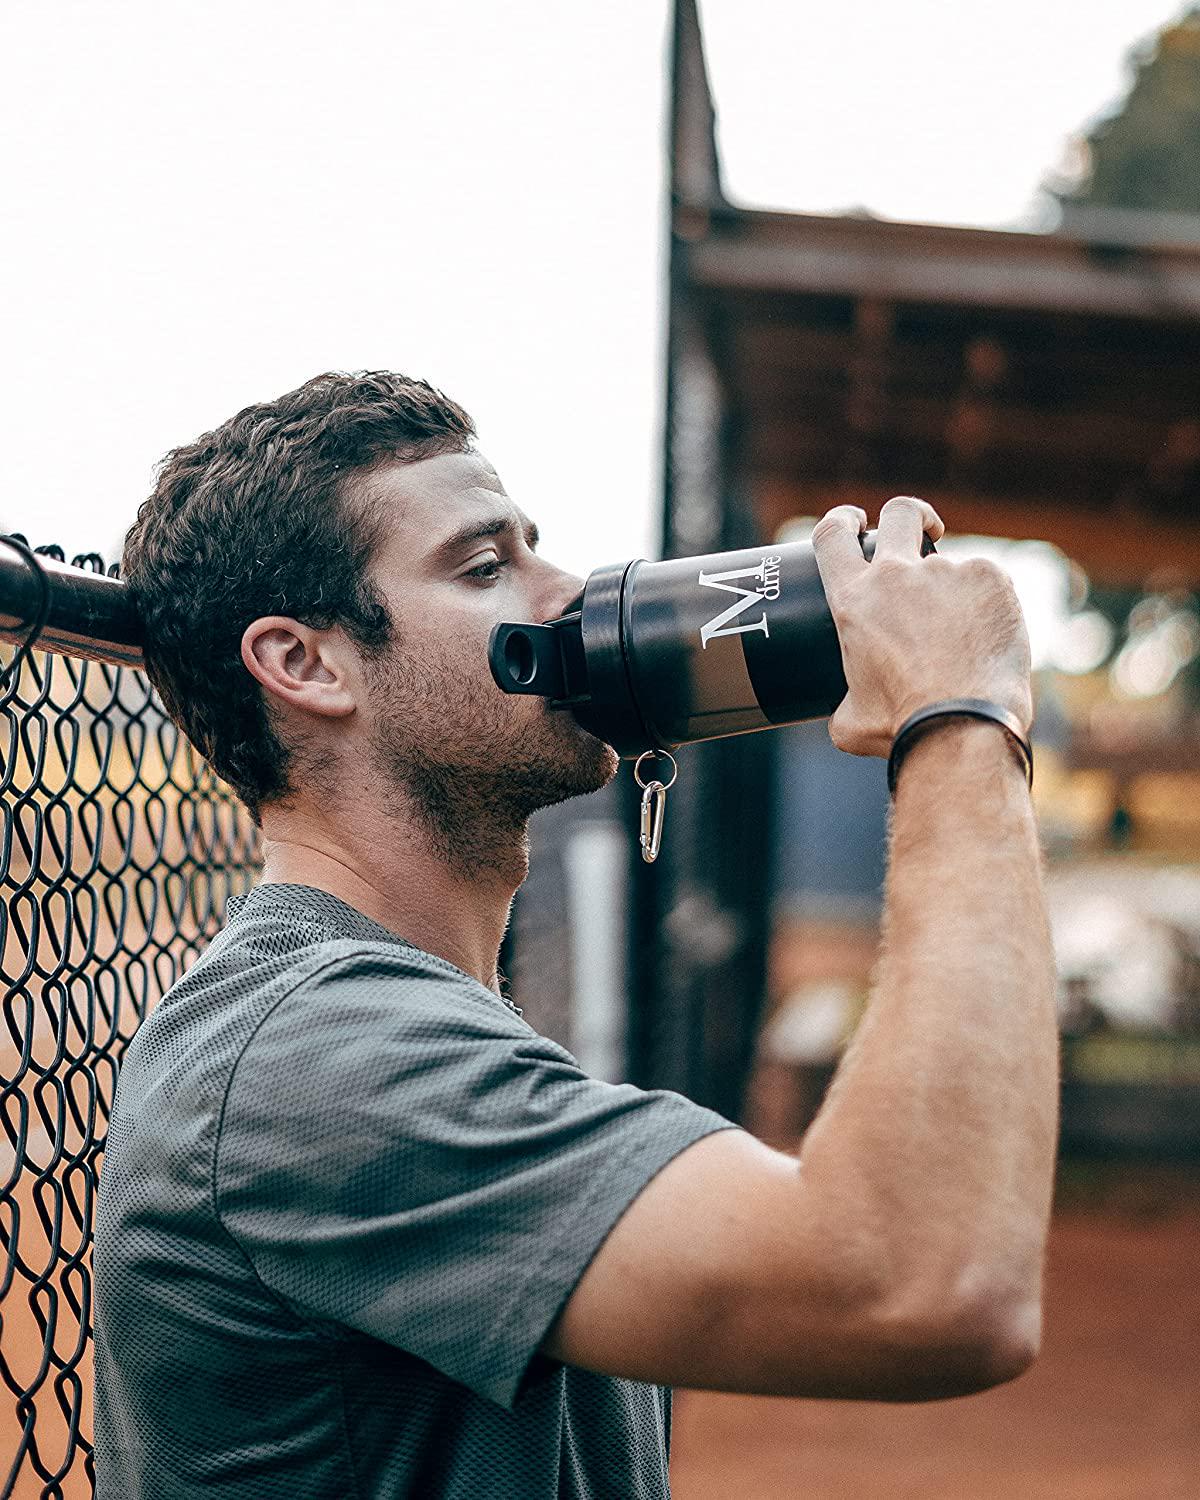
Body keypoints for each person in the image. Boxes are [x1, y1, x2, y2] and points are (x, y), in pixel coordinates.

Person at [93, 371, 1058, 1500]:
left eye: (537, 549)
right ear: (306, 664)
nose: (567, 594)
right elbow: (920, 1281)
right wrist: (960, 715)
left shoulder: (397, 1007)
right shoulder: (314, 1057)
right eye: (484, 567)